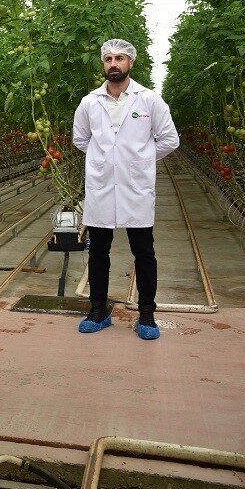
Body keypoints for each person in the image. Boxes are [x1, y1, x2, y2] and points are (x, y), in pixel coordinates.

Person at [72, 39, 179, 340]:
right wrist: (108, 162)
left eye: (119, 58)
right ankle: (97, 310)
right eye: (108, 59)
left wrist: (138, 161)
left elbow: (170, 140)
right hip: (102, 186)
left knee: (144, 251)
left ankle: (147, 314)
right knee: (99, 251)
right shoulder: (89, 102)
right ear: (103, 64)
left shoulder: (149, 100)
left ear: (131, 62)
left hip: (136, 188)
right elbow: (81, 140)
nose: (113, 64)